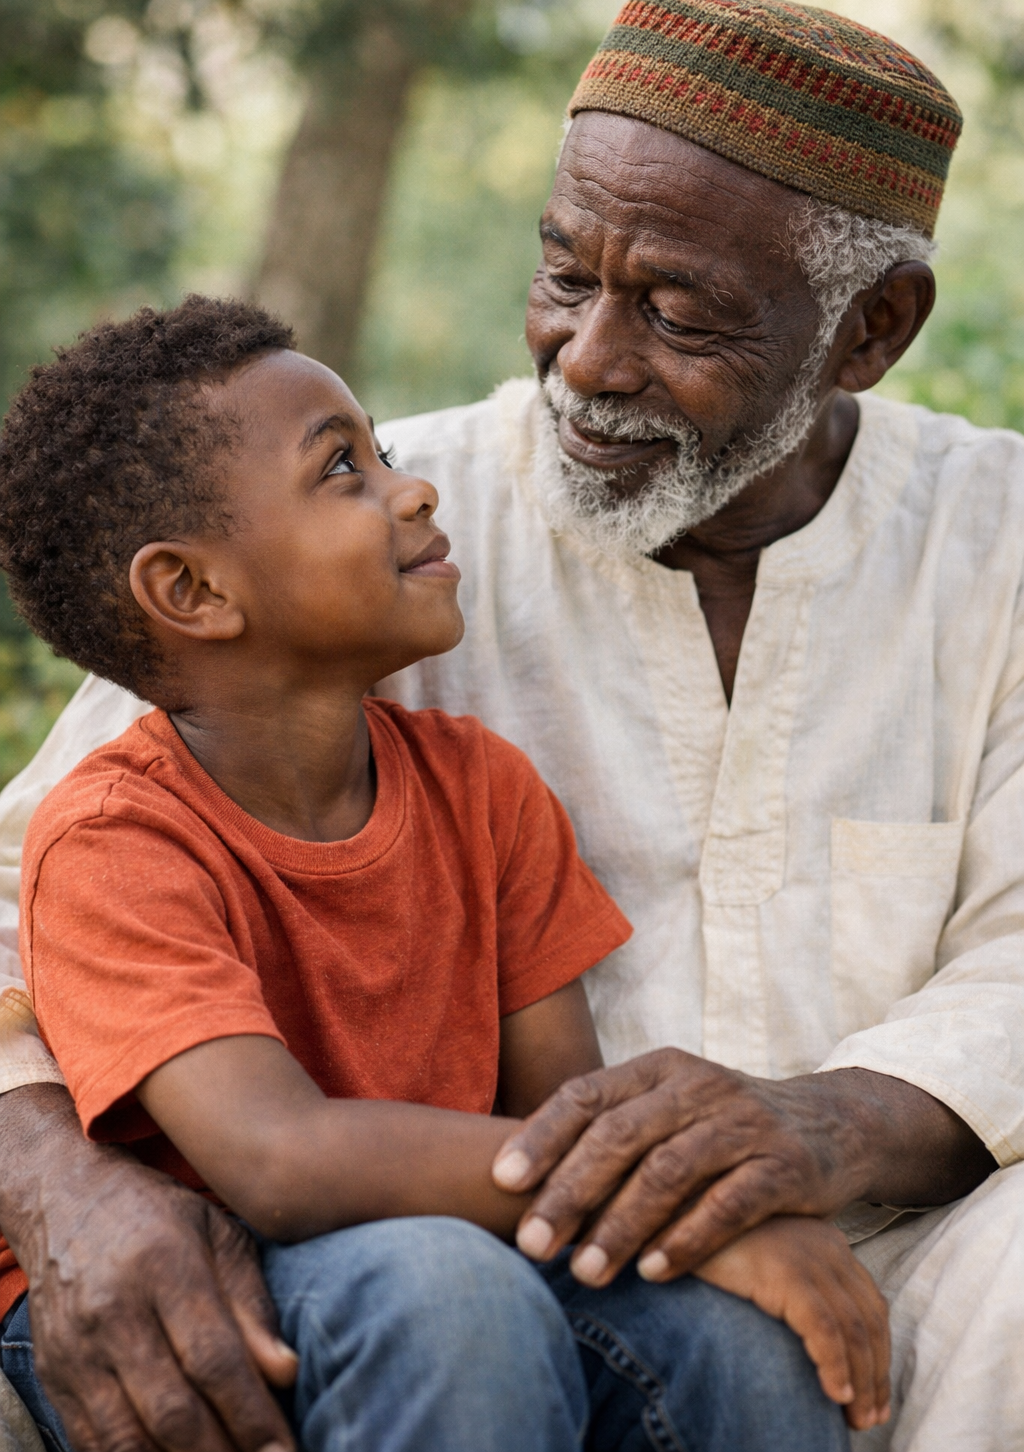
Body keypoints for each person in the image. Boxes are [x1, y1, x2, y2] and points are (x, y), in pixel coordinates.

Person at [0, 0, 1021, 1452]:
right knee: (453, 1297)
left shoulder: (1000, 541)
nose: (591, 360)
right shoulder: (360, 553)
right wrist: (54, 1172)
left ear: (870, 331)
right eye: (563, 277)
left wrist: (828, 1124)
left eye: (679, 311)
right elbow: (28, 898)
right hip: (488, 1255)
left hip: (905, 1254)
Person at [0, 295, 880, 1452]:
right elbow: (277, 1160)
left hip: (458, 1258)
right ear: (195, 593)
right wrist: (711, 1222)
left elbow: (557, 1113)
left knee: (740, 1343)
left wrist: (679, 1218)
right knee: (446, 1288)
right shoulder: (117, 842)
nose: (412, 490)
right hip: (220, 1285)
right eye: (341, 471)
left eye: (388, 454)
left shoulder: (485, 789)